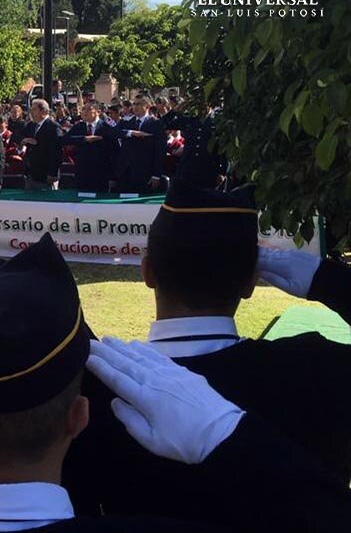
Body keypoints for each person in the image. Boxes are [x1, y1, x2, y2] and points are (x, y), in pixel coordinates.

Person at [0, 234, 351, 533]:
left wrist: (2, 276)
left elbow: (72, 356)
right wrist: (225, 433)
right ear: (79, 416)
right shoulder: (321, 370)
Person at [60, 180, 351, 522]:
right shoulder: (318, 369)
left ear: (147, 272)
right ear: (249, 284)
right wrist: (325, 279)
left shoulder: (89, 394)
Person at [113, 97, 166, 194]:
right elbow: (114, 132)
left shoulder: (156, 123)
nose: (135, 107)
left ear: (148, 106)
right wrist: (131, 133)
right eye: (134, 104)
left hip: (145, 172)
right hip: (125, 171)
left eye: (139, 104)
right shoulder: (126, 122)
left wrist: (156, 175)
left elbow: (160, 151)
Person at [64, 103, 117, 193]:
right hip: (82, 173)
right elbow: (65, 139)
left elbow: (114, 153)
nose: (84, 112)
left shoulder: (107, 128)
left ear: (98, 112)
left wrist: (113, 177)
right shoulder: (78, 127)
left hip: (101, 174)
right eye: (83, 109)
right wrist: (84, 139)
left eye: (88, 109)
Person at [21, 99, 62, 191]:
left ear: (44, 111)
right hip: (31, 173)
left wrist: (52, 173)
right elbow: (17, 135)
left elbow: (56, 152)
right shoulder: (31, 125)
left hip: (46, 175)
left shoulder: (53, 127)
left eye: (34, 110)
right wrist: (24, 140)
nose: (31, 112)